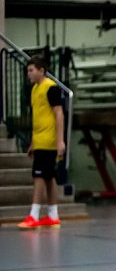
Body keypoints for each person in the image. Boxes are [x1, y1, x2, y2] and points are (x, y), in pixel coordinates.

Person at [18, 55, 66, 230]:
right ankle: (53, 216)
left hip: (49, 140)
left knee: (38, 176)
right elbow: (38, 117)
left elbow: (59, 114)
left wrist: (60, 141)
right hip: (39, 139)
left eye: (31, 71)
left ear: (41, 71)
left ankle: (34, 214)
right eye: (28, 71)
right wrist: (32, 141)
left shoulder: (50, 88)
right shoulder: (34, 90)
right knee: (48, 177)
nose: (28, 74)